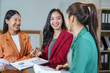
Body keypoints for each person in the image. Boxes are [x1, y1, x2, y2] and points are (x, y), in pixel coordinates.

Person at [56, 2, 101, 73]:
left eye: (67, 17)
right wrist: (66, 66)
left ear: (72, 18)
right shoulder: (81, 37)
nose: (66, 21)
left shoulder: (83, 42)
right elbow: (80, 62)